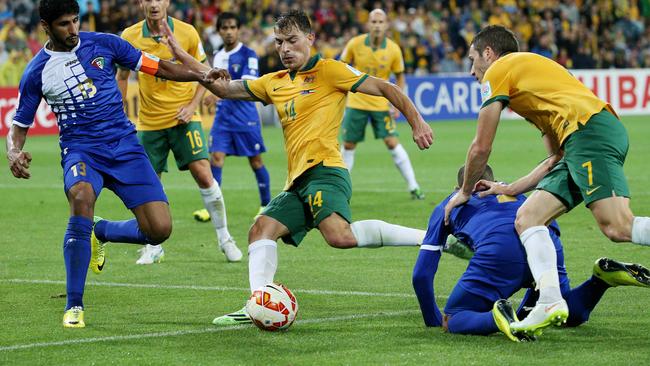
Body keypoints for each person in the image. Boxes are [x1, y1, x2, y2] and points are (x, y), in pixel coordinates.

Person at [162, 10, 433, 325]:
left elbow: (388, 88)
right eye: (279, 43)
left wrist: (417, 122)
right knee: (260, 230)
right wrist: (186, 58)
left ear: (310, 39)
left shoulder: (330, 71)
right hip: (297, 182)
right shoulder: (273, 82)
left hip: (326, 169)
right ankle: (257, 304)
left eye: (292, 41)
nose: (285, 49)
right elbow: (222, 89)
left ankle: (428, 237)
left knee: (339, 236)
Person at [5, 0, 220, 328]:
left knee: (159, 230)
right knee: (80, 197)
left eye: (76, 20)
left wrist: (203, 75)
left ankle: (101, 230)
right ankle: (75, 304)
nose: (74, 29)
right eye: (64, 24)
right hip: (81, 151)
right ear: (46, 27)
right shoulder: (36, 71)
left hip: (125, 147)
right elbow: (19, 125)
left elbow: (159, 67)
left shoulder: (105, 44)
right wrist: (13, 151)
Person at [443, 25, 650, 337]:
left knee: (618, 225)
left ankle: (552, 301)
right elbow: (554, 158)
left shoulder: (498, 70)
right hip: (582, 139)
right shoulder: (533, 83)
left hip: (589, 132)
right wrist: (510, 189)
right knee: (528, 217)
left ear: (489, 53)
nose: (473, 72)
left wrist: (465, 191)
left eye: (473, 61)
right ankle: (550, 302)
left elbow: (481, 146)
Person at [414, 165, 650, 342]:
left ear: (460, 188)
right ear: (492, 180)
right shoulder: (512, 191)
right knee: (561, 309)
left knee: (454, 317)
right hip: (546, 240)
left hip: (500, 250)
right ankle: (601, 280)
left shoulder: (449, 203)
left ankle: (496, 316)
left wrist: (433, 320)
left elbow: (421, 276)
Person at [118, 0, 241, 264]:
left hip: (185, 119)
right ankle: (153, 245)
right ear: (140, 3)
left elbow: (203, 72)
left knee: (204, 175)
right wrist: (119, 114)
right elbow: (122, 76)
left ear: (167, 2)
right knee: (149, 186)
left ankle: (225, 238)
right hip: (149, 123)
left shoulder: (187, 32)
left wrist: (192, 105)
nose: (153, 4)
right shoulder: (129, 36)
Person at [193, 12, 271, 222]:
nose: (229, 32)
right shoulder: (218, 55)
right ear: (219, 31)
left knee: (255, 161)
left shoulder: (248, 54)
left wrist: (218, 93)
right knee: (215, 158)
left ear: (238, 30)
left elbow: (248, 84)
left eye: (232, 27)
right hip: (223, 117)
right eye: (224, 28)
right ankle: (212, 208)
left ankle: (266, 205)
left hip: (245, 115)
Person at [339, 9, 424, 200]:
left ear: (386, 25)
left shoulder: (393, 49)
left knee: (392, 141)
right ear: (368, 24)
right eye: (374, 22)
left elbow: (400, 76)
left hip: (380, 104)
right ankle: (341, 190)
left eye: (380, 22)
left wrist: (397, 103)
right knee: (349, 144)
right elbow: (340, 67)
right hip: (357, 101)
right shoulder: (355, 44)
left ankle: (414, 186)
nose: (377, 25)